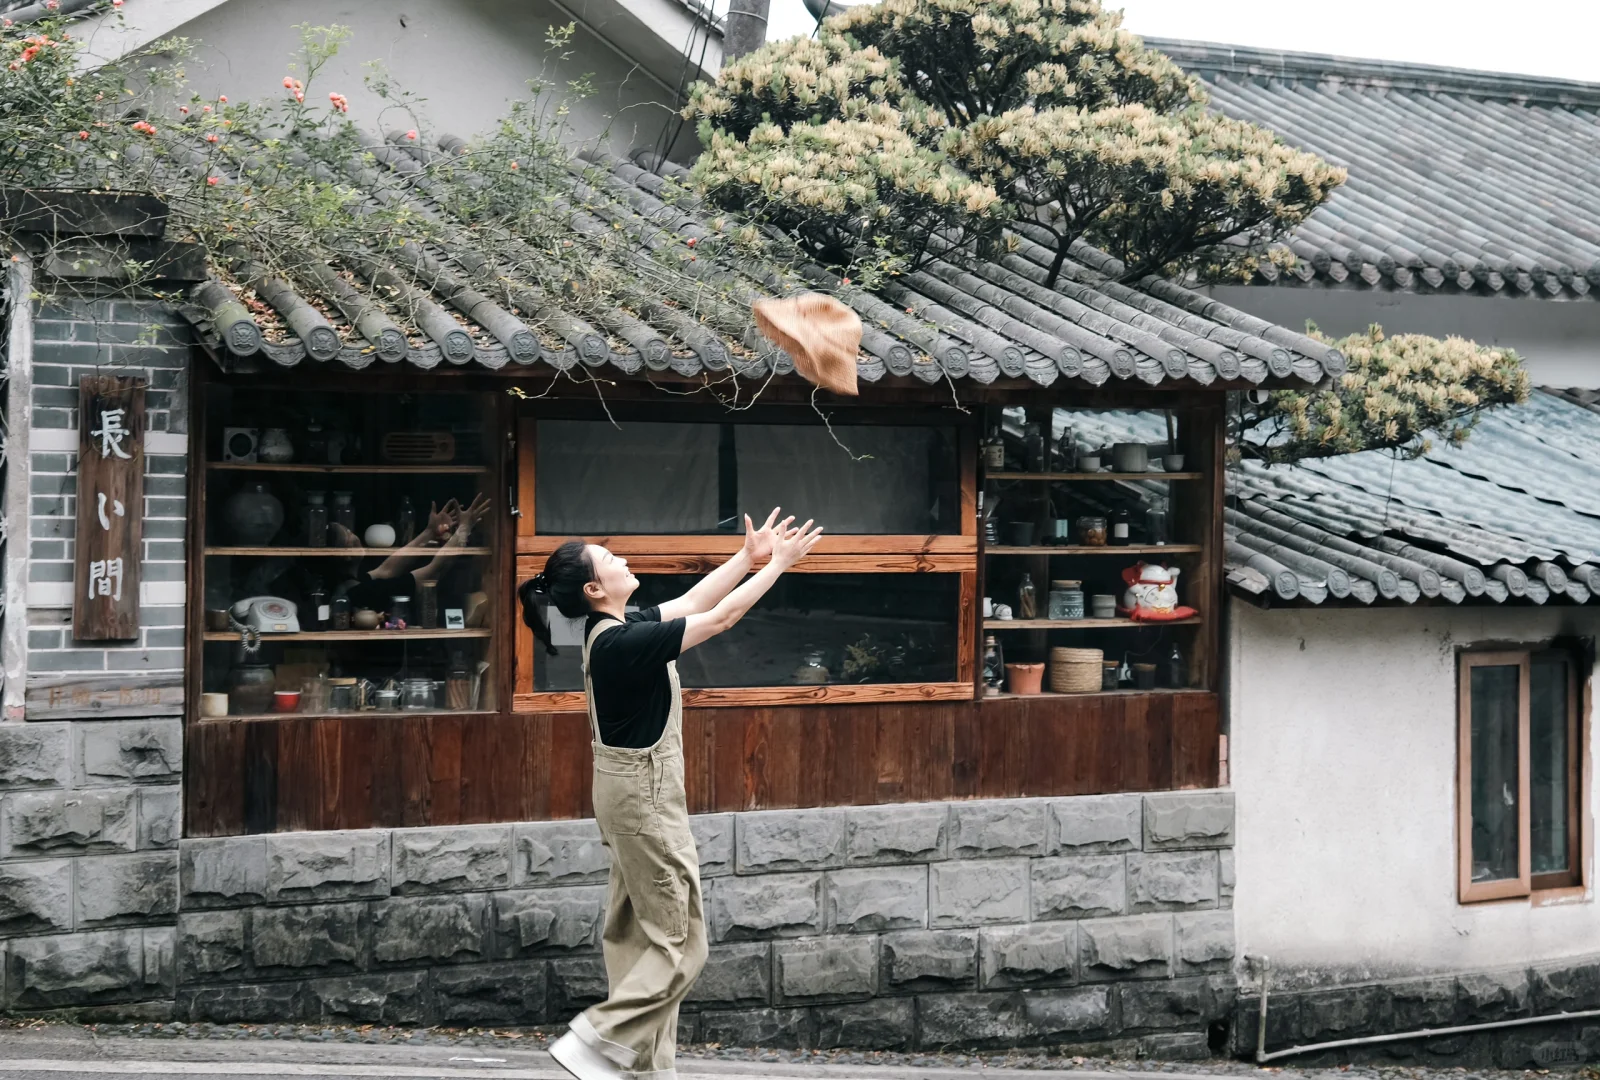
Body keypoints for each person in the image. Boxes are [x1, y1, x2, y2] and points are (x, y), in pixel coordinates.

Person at [520, 509, 823, 1080]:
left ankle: (645, 1071)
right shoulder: (620, 645)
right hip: (645, 803)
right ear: (592, 588)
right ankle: (598, 1038)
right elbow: (723, 618)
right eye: (611, 560)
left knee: (640, 941)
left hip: (626, 800)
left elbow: (692, 603)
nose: (623, 561)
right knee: (682, 946)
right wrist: (780, 566)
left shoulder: (616, 628)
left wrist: (748, 556)